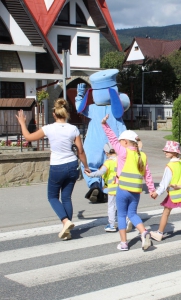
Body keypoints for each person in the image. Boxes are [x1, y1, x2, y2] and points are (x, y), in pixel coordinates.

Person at [15, 99, 90, 241]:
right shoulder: (73, 129)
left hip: (57, 166)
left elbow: (28, 137)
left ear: (54, 114)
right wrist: (86, 166)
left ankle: (65, 222)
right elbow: (80, 151)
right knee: (66, 197)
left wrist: (22, 123)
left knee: (52, 197)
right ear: (66, 113)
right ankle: (67, 231)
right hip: (72, 165)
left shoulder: (48, 128)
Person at [101, 114, 155, 251]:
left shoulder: (123, 152)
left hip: (123, 189)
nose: (118, 144)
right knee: (132, 214)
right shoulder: (142, 155)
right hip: (136, 191)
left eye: (120, 142)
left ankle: (124, 243)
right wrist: (151, 189)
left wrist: (105, 125)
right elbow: (147, 173)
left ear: (125, 142)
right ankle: (144, 232)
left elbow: (112, 138)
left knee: (121, 214)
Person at [75, 69, 129, 203]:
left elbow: (79, 108)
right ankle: (107, 191)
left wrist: (80, 95)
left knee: (89, 165)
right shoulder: (116, 110)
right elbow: (123, 128)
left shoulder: (93, 108)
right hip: (113, 143)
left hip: (93, 143)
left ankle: (94, 184)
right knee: (111, 167)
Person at [85, 142, 118, 232]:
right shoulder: (121, 160)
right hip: (123, 187)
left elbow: (100, 173)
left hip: (112, 188)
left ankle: (112, 225)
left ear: (106, 153)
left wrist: (90, 174)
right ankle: (126, 222)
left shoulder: (108, 162)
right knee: (122, 206)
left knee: (111, 206)